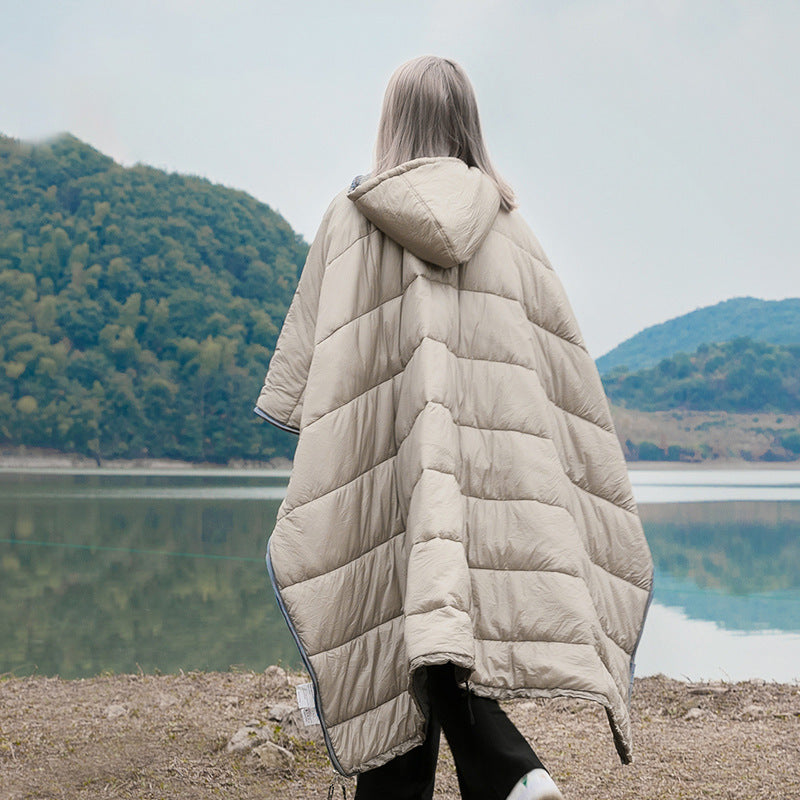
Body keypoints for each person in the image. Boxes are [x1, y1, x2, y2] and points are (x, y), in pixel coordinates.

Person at [255, 56, 653, 800]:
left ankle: (510, 772)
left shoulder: (349, 219)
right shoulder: (511, 229)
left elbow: (310, 377)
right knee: (430, 645)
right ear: (470, 123)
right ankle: (511, 775)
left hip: (389, 474)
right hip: (487, 482)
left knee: (396, 639)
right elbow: (561, 378)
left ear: (391, 122)